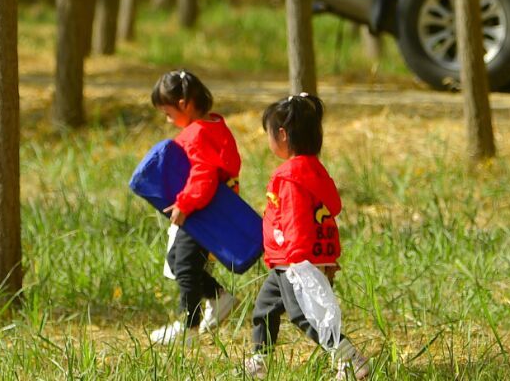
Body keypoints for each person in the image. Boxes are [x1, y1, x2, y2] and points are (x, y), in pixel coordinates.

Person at [245, 94, 371, 379]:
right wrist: (328, 256)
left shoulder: (289, 177)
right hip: (291, 261)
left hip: (294, 261)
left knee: (305, 315)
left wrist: (298, 259)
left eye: (268, 133)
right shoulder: (315, 171)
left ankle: (350, 358)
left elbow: (296, 220)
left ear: (282, 134)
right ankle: (259, 360)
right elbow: (327, 214)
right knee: (264, 309)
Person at [150, 69, 245, 343]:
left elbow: (203, 175)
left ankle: (187, 327)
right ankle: (219, 297)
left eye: (168, 113)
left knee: (188, 267)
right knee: (177, 261)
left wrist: (184, 204)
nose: (168, 120)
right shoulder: (215, 125)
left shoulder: (197, 134)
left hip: (203, 211)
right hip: (208, 209)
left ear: (184, 104)